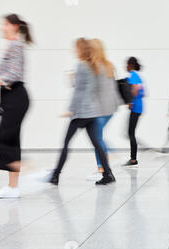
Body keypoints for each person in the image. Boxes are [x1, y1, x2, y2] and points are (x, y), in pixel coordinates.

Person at [49, 38, 115, 185]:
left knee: (66, 143)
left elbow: (78, 92)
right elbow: (89, 89)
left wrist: (70, 110)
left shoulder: (81, 66)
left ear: (80, 50)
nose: (74, 50)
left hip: (81, 113)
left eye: (76, 48)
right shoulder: (94, 66)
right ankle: (108, 174)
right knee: (97, 144)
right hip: (92, 112)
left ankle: (55, 175)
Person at [0, 14, 31, 198]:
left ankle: (28, 167)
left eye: (4, 25)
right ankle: (13, 188)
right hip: (11, 98)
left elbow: (14, 73)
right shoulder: (13, 45)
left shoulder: (16, 45)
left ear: (14, 26)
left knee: (4, 139)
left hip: (16, 97)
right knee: (11, 140)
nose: (2, 28)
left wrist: (0, 79)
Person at [89, 39, 122, 178]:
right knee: (98, 137)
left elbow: (92, 89)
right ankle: (106, 161)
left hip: (100, 109)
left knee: (97, 139)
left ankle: (102, 169)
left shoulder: (94, 67)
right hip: (111, 107)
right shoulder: (109, 65)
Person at [123, 57, 145, 167]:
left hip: (135, 108)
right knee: (131, 133)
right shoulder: (138, 76)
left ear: (130, 65)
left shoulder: (132, 75)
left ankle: (133, 159)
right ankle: (133, 158)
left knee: (131, 133)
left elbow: (135, 89)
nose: (125, 66)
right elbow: (144, 92)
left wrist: (130, 101)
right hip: (139, 107)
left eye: (126, 64)